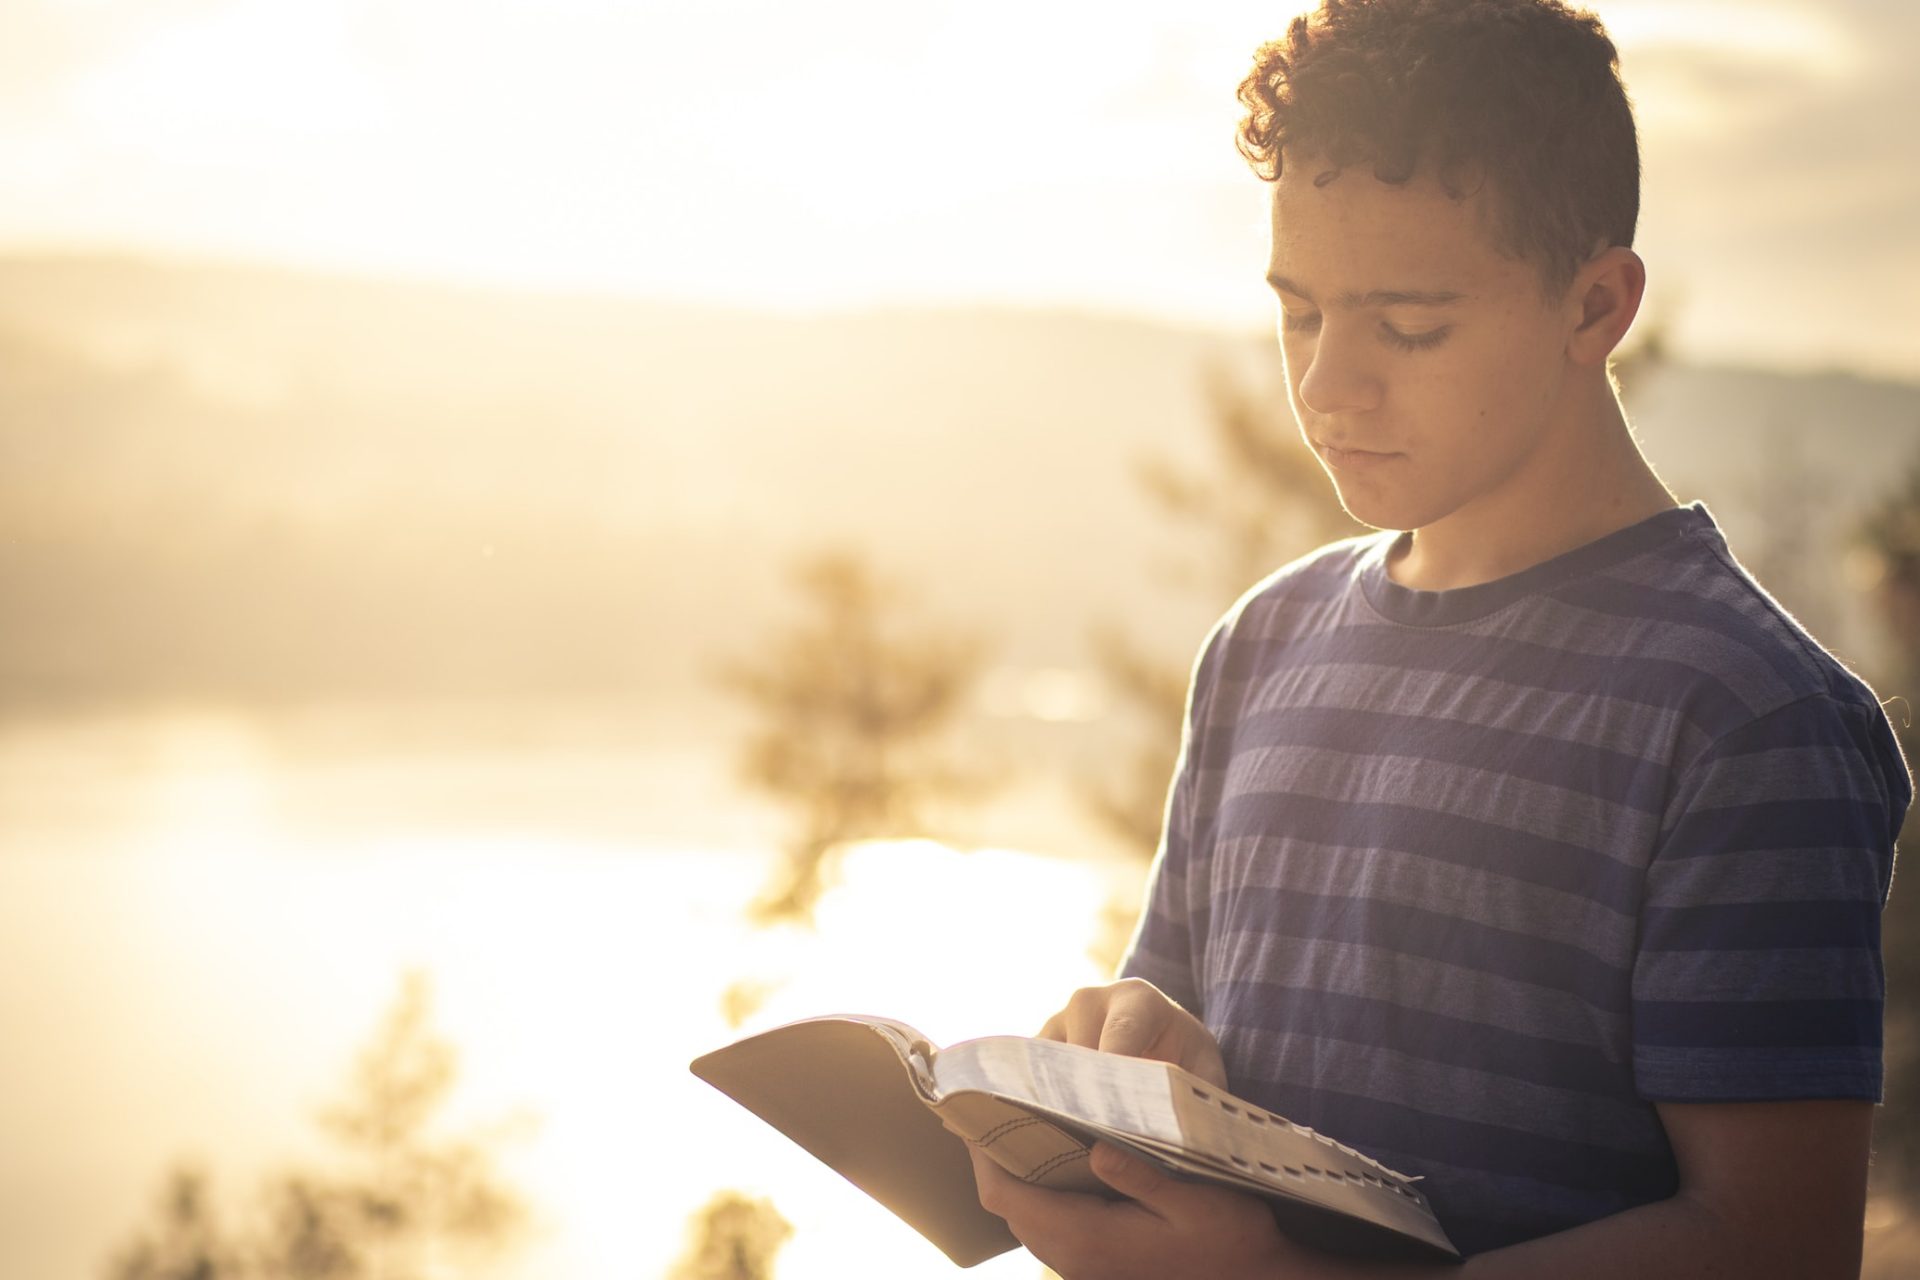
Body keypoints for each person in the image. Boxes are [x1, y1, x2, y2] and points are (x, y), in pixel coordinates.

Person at [955, 1, 1912, 1276]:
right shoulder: (1261, 645)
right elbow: (1190, 1043)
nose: (1328, 384)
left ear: (1595, 305)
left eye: (1407, 325)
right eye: (1300, 313)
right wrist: (1137, 1055)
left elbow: (1773, 1244)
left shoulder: (1746, 717)